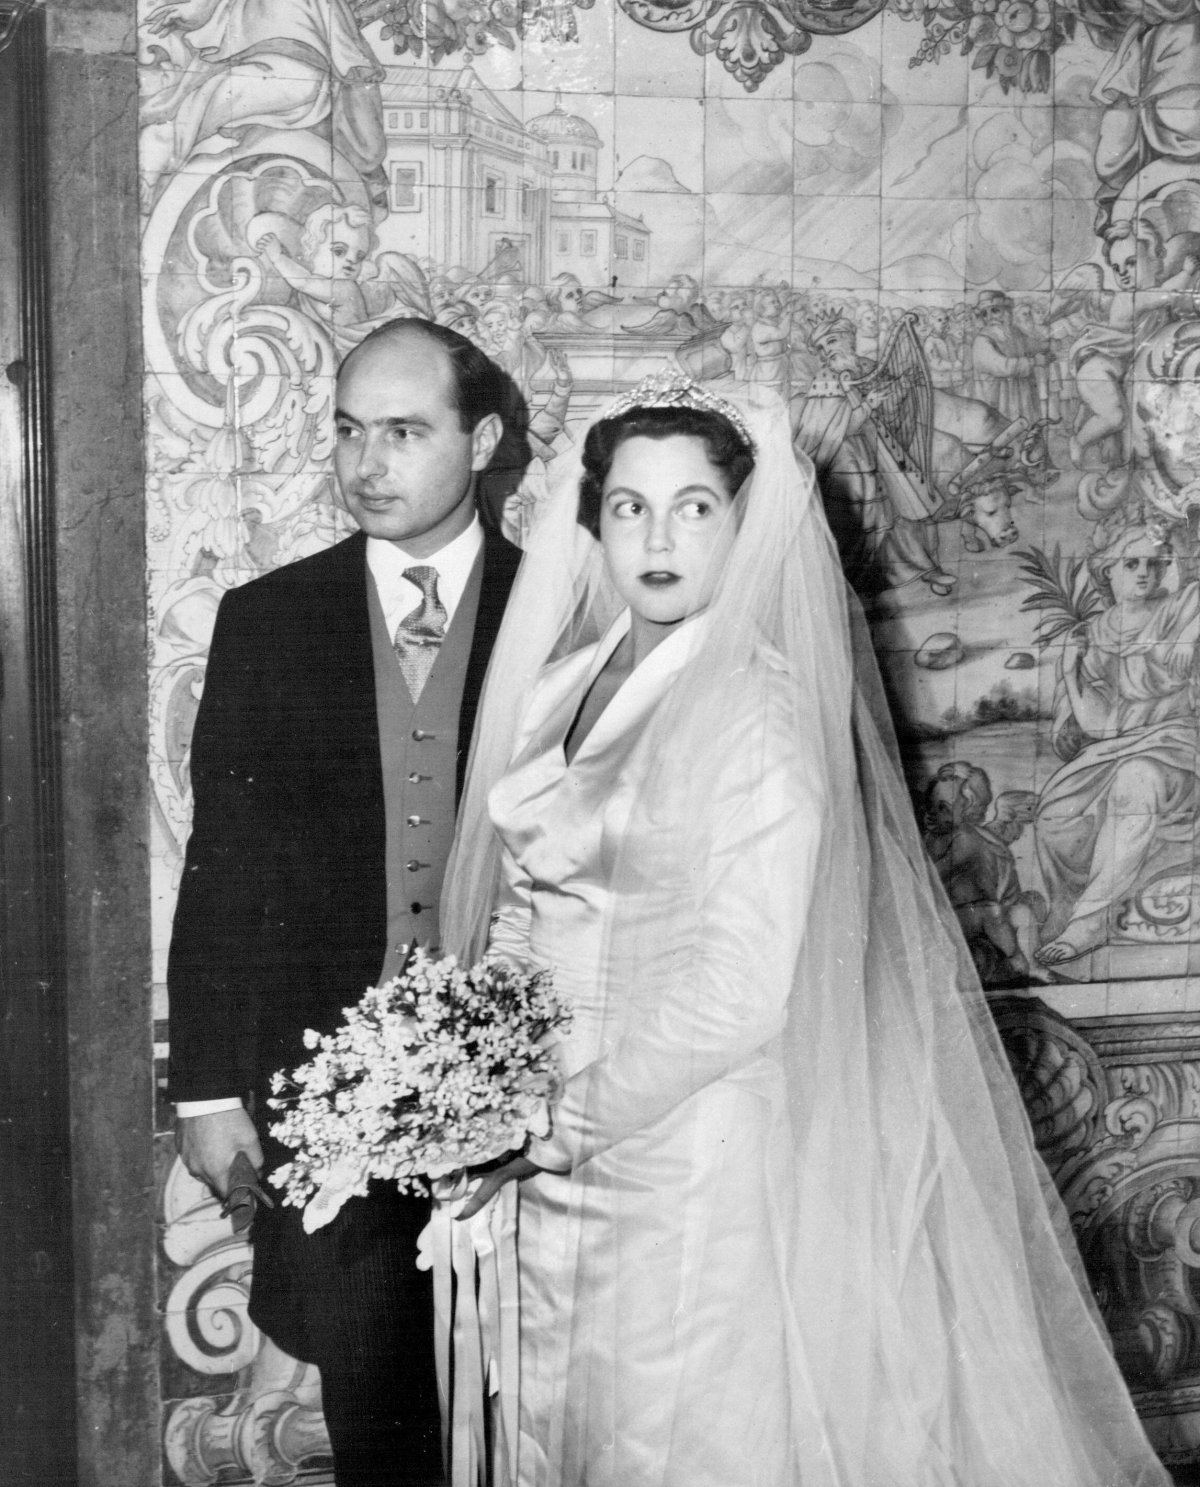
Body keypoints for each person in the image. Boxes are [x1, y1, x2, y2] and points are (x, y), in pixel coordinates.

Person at [443, 372, 1171, 1486]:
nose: (659, 535)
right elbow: (521, 902)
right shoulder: (560, 687)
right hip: (544, 1156)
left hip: (681, 1150)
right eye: (631, 504)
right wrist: (479, 1070)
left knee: (670, 1442)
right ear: (591, 522)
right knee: (558, 1429)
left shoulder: (758, 705)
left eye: (696, 505)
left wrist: (552, 1120)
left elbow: (742, 990)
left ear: (747, 524)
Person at [167, 317, 524, 1487]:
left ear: (480, 440)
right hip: (334, 1103)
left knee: (532, 1410)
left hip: (534, 1096)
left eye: (405, 432)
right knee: (379, 1419)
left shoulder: (562, 613)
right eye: (349, 431)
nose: (367, 463)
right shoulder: (268, 620)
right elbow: (222, 867)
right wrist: (211, 1085)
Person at [1035, 521, 1200, 966]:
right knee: (1054, 814)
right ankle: (1072, 906)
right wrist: (1070, 673)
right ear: (1107, 570)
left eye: (1154, 563)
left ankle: (1089, 922)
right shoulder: (1093, 635)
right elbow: (1101, 726)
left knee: (1136, 779)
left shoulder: (1180, 609)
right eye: (1132, 563)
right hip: (1118, 745)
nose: (1144, 573)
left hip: (1179, 750)